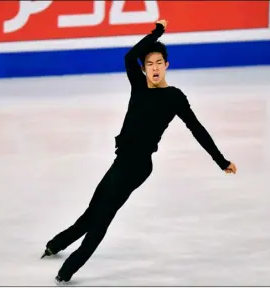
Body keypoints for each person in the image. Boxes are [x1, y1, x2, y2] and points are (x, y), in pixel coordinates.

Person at [41, 19, 237, 284]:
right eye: (149, 64)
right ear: (143, 69)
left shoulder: (174, 97)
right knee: (93, 211)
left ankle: (67, 271)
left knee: (102, 216)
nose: (154, 68)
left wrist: (220, 160)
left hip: (138, 167)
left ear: (166, 65)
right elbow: (128, 56)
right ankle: (56, 244)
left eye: (159, 63)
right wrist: (156, 33)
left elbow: (197, 129)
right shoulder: (138, 84)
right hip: (121, 161)